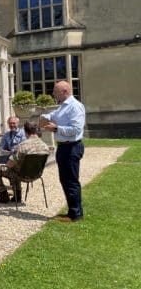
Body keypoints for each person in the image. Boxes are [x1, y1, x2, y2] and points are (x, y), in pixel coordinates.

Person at [40, 81, 86, 222]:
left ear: (64, 91)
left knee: (71, 181)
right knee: (65, 180)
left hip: (72, 147)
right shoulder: (62, 107)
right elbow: (52, 115)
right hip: (63, 147)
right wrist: (43, 118)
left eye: (55, 91)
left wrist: (55, 128)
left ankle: (75, 214)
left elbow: (75, 130)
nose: (53, 93)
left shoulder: (75, 107)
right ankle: (72, 211)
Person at [0, 121, 49, 203]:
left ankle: (3, 194)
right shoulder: (45, 146)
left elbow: (9, 165)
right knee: (16, 167)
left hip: (21, 175)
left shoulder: (22, 146)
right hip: (37, 175)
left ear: (25, 131)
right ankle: (17, 194)